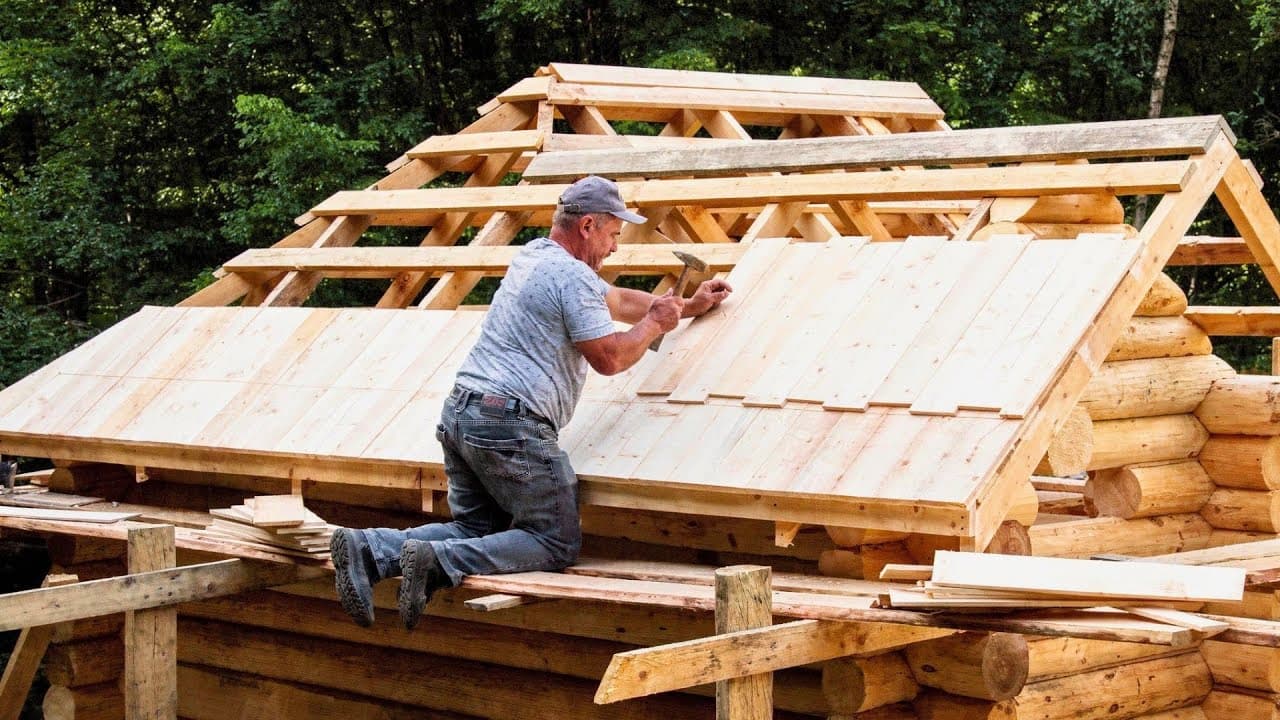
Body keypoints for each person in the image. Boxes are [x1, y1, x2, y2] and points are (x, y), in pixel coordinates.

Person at [330, 175, 733, 630]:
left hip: (464, 413)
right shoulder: (572, 277)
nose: (615, 247)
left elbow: (618, 300)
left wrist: (687, 306)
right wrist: (655, 325)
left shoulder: (534, 256)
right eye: (613, 234)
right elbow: (610, 357)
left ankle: (368, 547)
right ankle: (436, 562)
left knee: (476, 530)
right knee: (554, 540)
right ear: (587, 226)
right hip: (509, 423)